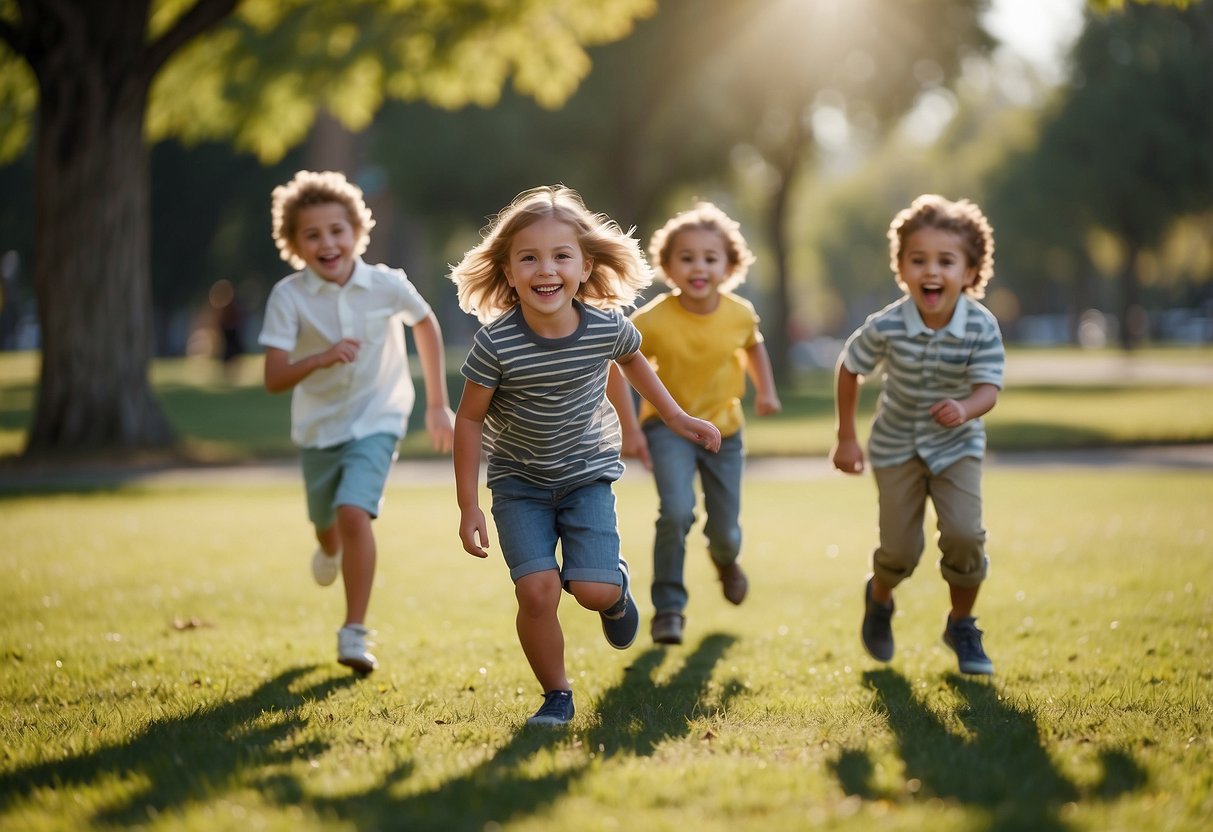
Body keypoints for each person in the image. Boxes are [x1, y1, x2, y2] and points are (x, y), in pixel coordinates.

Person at [451, 185, 722, 727]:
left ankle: (615, 590)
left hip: (585, 477)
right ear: (507, 271)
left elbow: (636, 363)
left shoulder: (604, 327)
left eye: (560, 256)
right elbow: (470, 420)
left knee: (592, 590)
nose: (544, 269)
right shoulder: (496, 344)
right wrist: (468, 507)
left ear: (584, 266)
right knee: (537, 590)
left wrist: (676, 418)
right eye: (528, 257)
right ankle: (557, 696)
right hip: (518, 484)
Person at [259, 170, 455, 675]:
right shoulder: (289, 296)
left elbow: (426, 323)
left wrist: (437, 405)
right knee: (327, 527)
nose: (327, 243)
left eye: (336, 231)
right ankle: (326, 548)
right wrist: (320, 358)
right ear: (294, 244)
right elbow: (275, 377)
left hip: (379, 415)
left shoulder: (386, 284)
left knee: (354, 513)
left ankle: (354, 633)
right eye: (312, 234)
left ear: (357, 232)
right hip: (319, 428)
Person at [830, 193, 1004, 676]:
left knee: (966, 535)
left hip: (958, 447)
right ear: (901, 268)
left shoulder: (981, 327)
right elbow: (850, 367)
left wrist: (965, 408)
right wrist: (847, 437)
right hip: (895, 449)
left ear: (970, 272)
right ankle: (880, 596)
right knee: (901, 553)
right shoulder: (887, 325)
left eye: (946, 261)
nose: (932, 271)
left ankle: (962, 624)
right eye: (918, 260)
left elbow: (988, 388)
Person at [611, 202, 781, 646]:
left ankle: (726, 560)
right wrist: (630, 429)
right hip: (668, 432)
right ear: (667, 266)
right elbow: (618, 363)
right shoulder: (653, 320)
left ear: (729, 265)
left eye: (710, 257)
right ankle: (669, 608)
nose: (698, 267)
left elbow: (753, 346)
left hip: (725, 431)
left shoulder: (740, 314)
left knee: (725, 530)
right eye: (686, 258)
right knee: (677, 511)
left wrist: (765, 390)